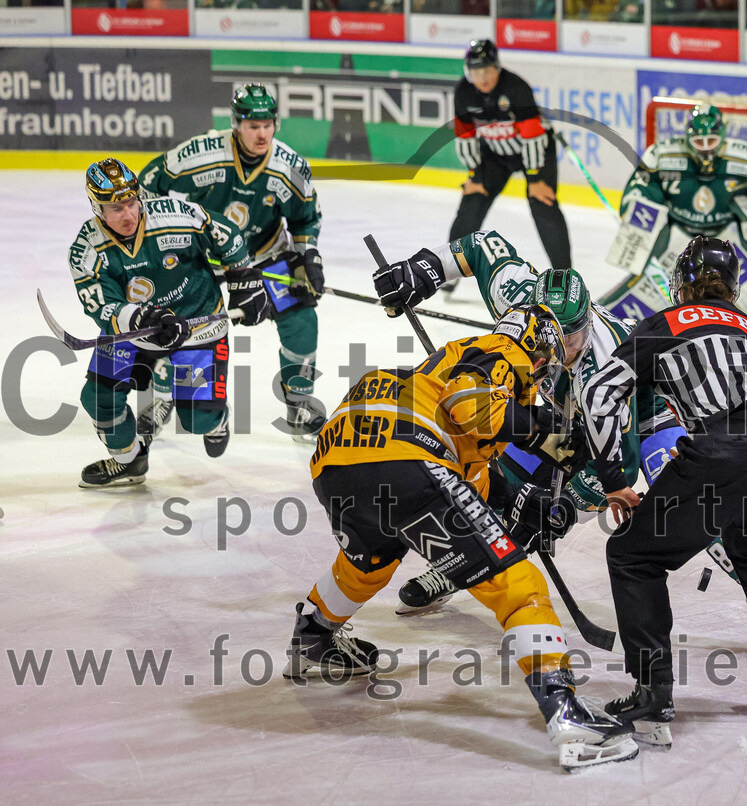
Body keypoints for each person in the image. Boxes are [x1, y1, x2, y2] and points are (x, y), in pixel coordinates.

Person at [285, 304, 638, 772]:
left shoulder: (439, 373)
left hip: (338, 467)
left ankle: (312, 634)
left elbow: (469, 474)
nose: (541, 381)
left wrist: (521, 499)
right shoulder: (504, 351)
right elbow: (473, 410)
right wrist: (541, 432)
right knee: (521, 585)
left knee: (369, 560)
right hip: (407, 456)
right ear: (540, 349)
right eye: (546, 364)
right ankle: (568, 716)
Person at [580, 236, 747, 750]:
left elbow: (600, 393)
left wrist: (613, 481)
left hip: (727, 451)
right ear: (733, 285)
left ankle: (652, 695)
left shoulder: (663, 324)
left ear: (683, 282)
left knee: (632, 557)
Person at [372, 229, 692, 613]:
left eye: (571, 337)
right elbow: (480, 246)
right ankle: (463, 561)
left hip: (649, 415)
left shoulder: (605, 368)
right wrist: (421, 271)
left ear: (588, 323)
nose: (560, 347)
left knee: (694, 505)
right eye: (550, 334)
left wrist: (568, 506)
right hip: (568, 410)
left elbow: (617, 464)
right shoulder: (520, 302)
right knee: (498, 480)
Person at [139, 82, 326, 444]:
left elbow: (305, 218)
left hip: (263, 255)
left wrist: (308, 255)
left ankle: (299, 402)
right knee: (169, 324)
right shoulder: (200, 154)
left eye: (267, 124)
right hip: (202, 258)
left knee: (301, 317)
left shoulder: (290, 168)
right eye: (253, 125)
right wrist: (160, 241)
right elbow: (149, 184)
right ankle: (162, 398)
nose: (261, 133)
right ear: (236, 123)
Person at [70, 157, 269, 487]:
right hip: (137, 331)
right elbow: (103, 308)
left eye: (132, 202)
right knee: (98, 398)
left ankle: (213, 417)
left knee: (198, 420)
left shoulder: (176, 215)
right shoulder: (86, 249)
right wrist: (145, 316)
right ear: (96, 208)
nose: (129, 214)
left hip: (198, 323)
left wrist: (244, 280)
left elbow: (228, 235)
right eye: (116, 208)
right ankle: (130, 461)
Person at [609, 102, 747, 357]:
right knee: (649, 285)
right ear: (688, 137)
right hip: (679, 232)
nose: (705, 148)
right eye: (699, 141)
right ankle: (616, 334)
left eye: (711, 140)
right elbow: (638, 192)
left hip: (727, 234)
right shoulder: (661, 154)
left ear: (722, 137)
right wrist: (636, 209)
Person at [449, 40, 571, 274]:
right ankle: (449, 268)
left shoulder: (515, 87)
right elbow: (464, 136)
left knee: (543, 203)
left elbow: (533, 137)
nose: (482, 78)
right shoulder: (464, 92)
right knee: (472, 201)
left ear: (497, 67)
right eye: (476, 72)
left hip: (536, 152)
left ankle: (565, 276)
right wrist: (474, 175)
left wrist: (535, 179)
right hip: (495, 154)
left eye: (487, 71)